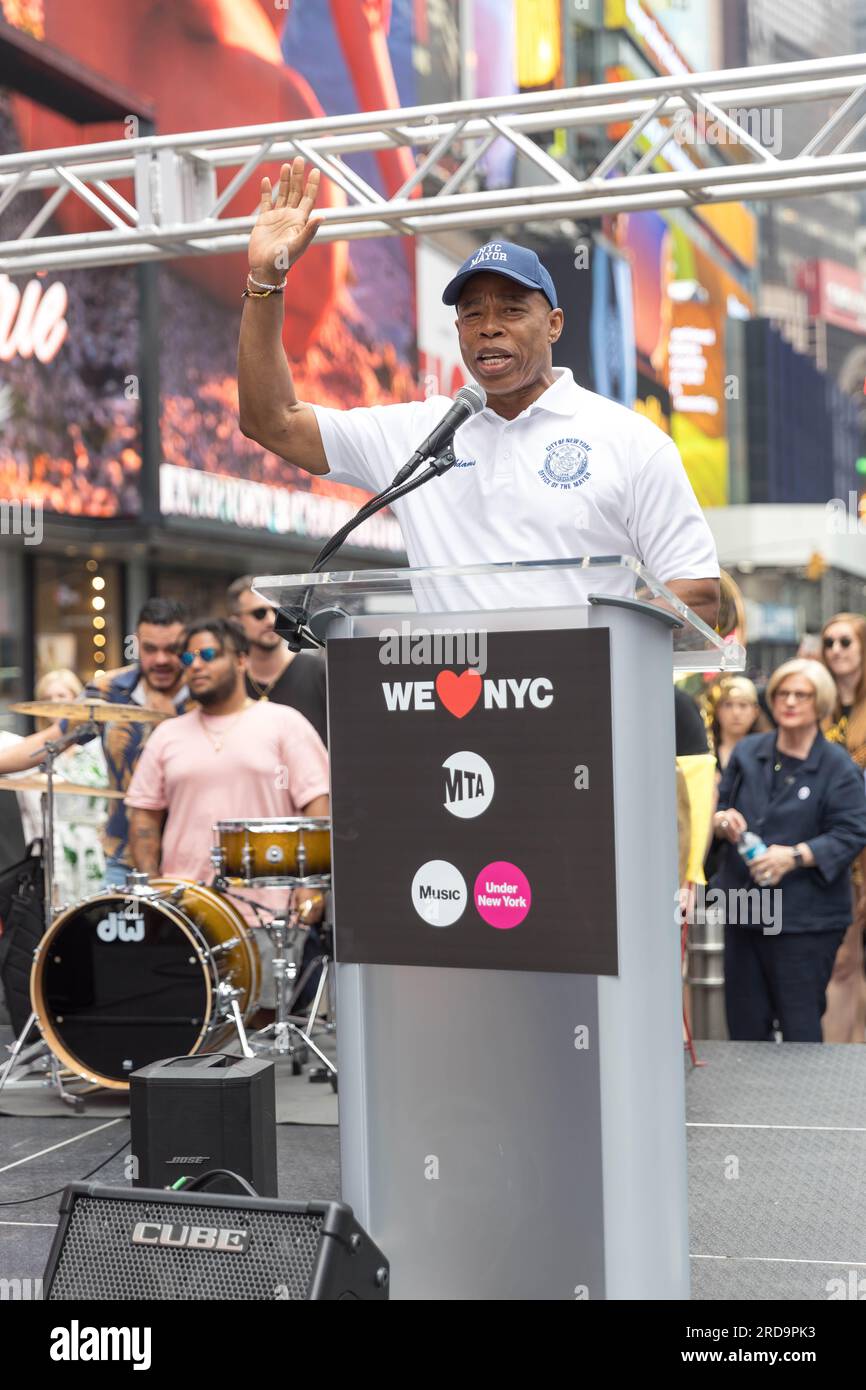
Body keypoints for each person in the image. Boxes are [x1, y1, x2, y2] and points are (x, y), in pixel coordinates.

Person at [237, 161, 720, 628]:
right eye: (472, 315)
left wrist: (589, 652)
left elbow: (695, 593)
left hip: (582, 702)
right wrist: (266, 280)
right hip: (449, 699)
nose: (489, 328)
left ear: (554, 326)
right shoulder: (417, 432)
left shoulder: (631, 440)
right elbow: (272, 421)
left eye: (511, 310)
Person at [710, 659, 866, 1042]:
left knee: (799, 1029)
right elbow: (718, 809)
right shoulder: (748, 752)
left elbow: (851, 831)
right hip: (746, 910)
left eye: (801, 694)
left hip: (805, 918)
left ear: (821, 703)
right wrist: (722, 821)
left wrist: (794, 856)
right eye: (782, 693)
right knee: (745, 1027)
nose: (790, 701)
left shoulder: (837, 766)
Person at [126, 619, 329, 890]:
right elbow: (144, 818)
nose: (196, 666)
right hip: (186, 904)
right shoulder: (166, 735)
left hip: (271, 905)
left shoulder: (285, 722)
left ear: (241, 661)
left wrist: (311, 888)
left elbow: (317, 806)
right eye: (188, 658)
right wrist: (153, 893)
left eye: (208, 655)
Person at [0, 599, 189, 888]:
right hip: (123, 854)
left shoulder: (204, 691)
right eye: (150, 649)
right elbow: (48, 742)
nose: (161, 659)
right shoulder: (109, 690)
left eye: (172, 649)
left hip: (190, 855)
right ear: (137, 644)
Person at [820, 612, 866, 1043]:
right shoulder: (818, 705)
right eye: (829, 642)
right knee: (843, 959)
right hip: (837, 850)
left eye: (845, 642)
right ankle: (843, 1057)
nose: (835, 650)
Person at [33, 669, 109, 905]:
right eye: (48, 698)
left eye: (61, 696)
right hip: (55, 845)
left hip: (95, 844)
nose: (55, 703)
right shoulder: (39, 754)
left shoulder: (98, 749)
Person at [226, 576, 327, 745]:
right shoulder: (230, 677)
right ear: (236, 622)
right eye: (259, 613)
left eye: (277, 612)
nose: (271, 621)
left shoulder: (318, 671)